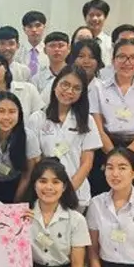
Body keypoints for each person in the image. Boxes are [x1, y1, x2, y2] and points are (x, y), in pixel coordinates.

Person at [88, 38, 134, 195]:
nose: (127, 62)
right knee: (102, 196)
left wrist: (125, 158)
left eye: (133, 57)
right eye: (121, 56)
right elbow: (97, 128)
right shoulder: (98, 88)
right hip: (105, 148)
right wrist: (113, 157)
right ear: (113, 60)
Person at [28, 65, 102, 210]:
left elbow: (87, 163)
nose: (69, 91)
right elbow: (35, 160)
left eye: (76, 88)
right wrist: (52, 190)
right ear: (55, 85)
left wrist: (67, 191)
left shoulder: (87, 121)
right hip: (45, 192)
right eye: (65, 84)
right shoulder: (37, 118)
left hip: (76, 193)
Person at [31, 31, 70, 101]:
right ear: (45, 50)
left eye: (61, 46)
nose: (57, 49)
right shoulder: (37, 79)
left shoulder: (75, 74)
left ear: (69, 49)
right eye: (52, 46)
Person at [15, 11, 49, 77]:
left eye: (38, 25)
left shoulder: (50, 50)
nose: (34, 30)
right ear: (24, 29)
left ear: (44, 27)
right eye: (30, 26)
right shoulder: (17, 51)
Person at [82, 0, 113, 65]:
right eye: (91, 15)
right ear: (85, 17)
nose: (95, 18)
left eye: (99, 15)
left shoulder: (111, 43)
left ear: (105, 17)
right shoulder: (78, 40)